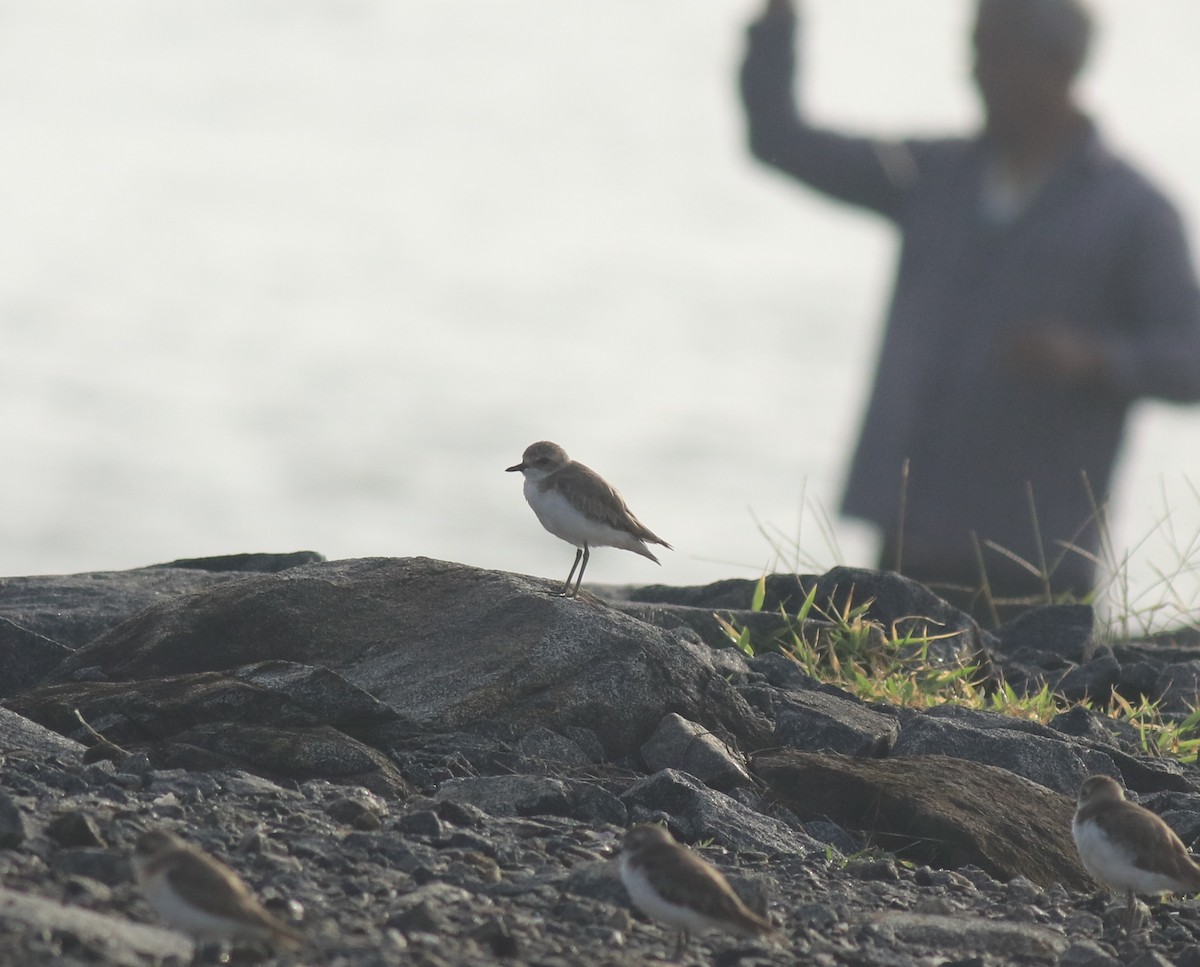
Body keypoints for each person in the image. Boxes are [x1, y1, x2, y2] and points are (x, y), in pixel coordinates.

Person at [739, 0, 1200, 621]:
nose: (976, 71)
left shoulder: (1134, 213)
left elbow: (1190, 358)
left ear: (1059, 64)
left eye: (993, 51)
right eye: (975, 50)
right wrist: (778, 19)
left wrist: (1093, 358)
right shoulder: (934, 175)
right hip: (911, 540)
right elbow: (781, 140)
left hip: (1038, 565)